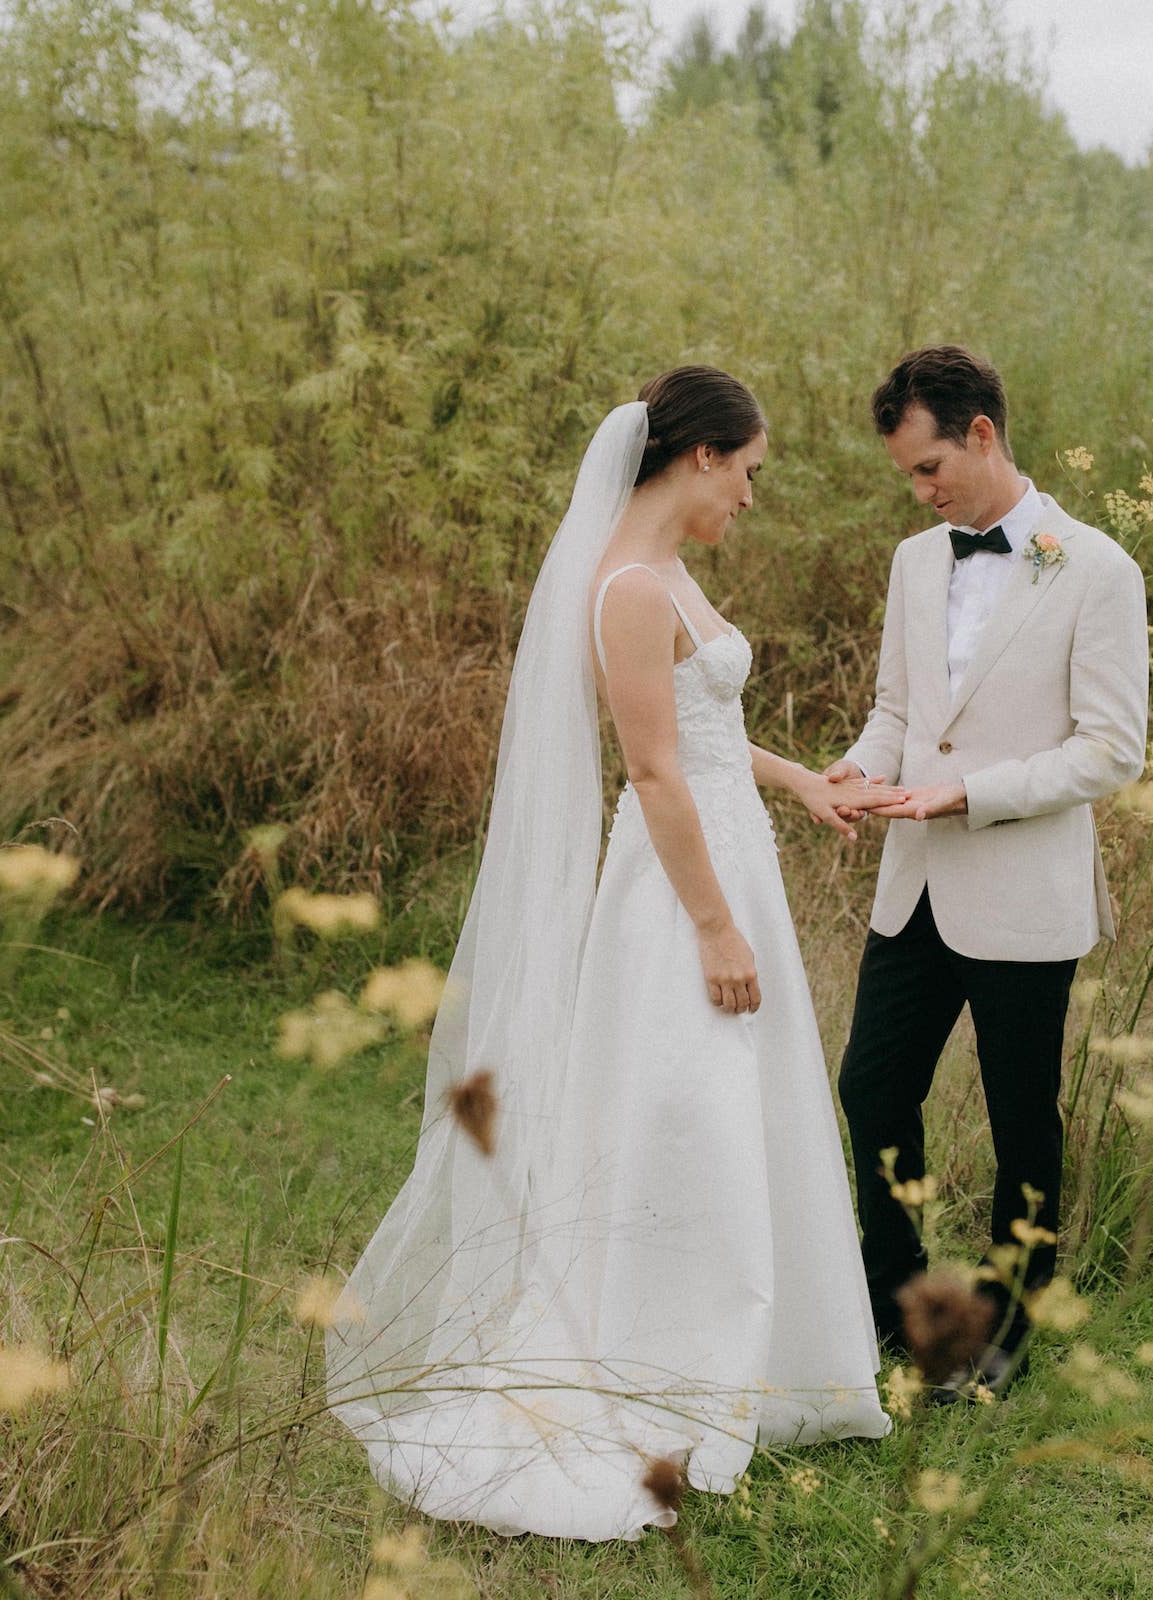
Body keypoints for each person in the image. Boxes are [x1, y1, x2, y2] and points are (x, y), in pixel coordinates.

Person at [326, 367, 898, 1542]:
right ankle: (661, 1358)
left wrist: (805, 784)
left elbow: (711, 735)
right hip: (680, 888)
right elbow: (651, 771)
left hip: (727, 854)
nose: (750, 495)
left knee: (746, 1100)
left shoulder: (671, 576)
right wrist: (713, 924)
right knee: (683, 1102)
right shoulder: (628, 588)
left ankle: (761, 1360)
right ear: (698, 456)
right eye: (748, 471)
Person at [825, 345, 1150, 1397]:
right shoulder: (917, 563)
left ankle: (1006, 1333)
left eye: (929, 470)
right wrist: (859, 767)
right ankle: (900, 1306)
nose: (921, 495)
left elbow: (1111, 749)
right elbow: (896, 710)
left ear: (981, 434)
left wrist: (967, 794)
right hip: (913, 881)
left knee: (1021, 1121)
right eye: (907, 479)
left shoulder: (1096, 567)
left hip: (1022, 890)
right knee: (871, 1087)